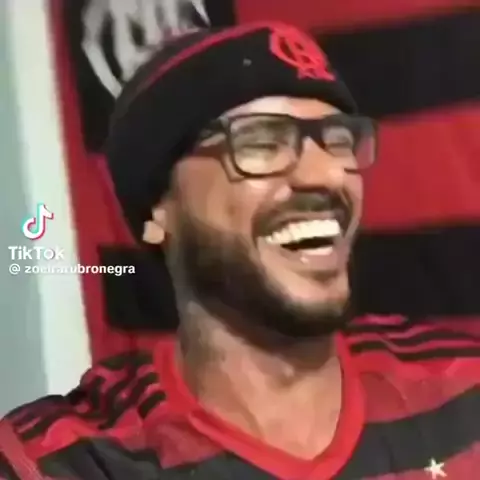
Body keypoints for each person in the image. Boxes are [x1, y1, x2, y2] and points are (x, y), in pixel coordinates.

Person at [0, 22, 478, 480]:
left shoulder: (464, 391)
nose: (327, 175)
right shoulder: (61, 462)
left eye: (337, 142)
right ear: (156, 209)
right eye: (260, 143)